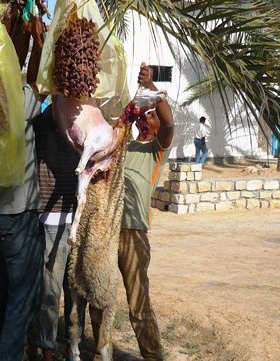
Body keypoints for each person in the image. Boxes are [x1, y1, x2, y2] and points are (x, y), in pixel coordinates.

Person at [0, 83, 45, 361]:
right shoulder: (17, 101)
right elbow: (39, 86)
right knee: (20, 305)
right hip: (18, 220)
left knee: (1, 299)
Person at [119, 63, 174, 361]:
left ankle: (153, 357)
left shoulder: (156, 149)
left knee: (138, 305)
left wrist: (153, 91)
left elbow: (168, 125)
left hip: (133, 232)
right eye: (146, 112)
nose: (147, 116)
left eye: (150, 115)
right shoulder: (121, 143)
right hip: (106, 225)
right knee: (95, 298)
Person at [31, 102, 82, 361]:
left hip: (75, 221)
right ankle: (47, 349)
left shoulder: (79, 124)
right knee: (50, 292)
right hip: (51, 221)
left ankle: (73, 347)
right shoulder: (43, 123)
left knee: (74, 291)